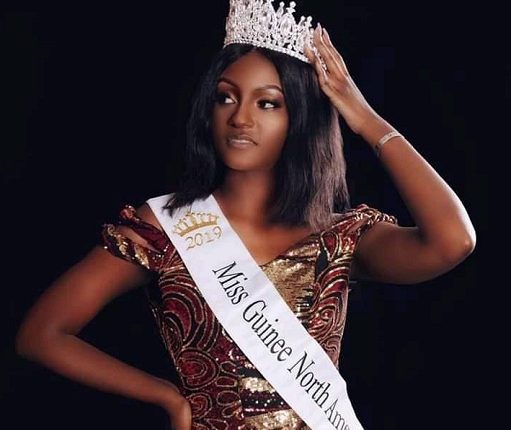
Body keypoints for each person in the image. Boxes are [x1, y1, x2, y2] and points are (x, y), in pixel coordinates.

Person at [15, 1, 476, 429]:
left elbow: (453, 241)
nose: (240, 118)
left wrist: (364, 118)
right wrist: (166, 397)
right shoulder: (164, 227)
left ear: (300, 119)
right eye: (226, 97)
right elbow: (41, 334)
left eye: (268, 103)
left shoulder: (338, 239)